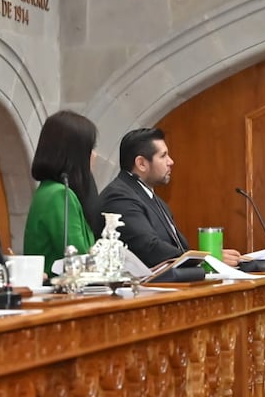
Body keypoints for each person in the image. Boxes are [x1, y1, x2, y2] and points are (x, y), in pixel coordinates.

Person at [100, 127, 241, 268]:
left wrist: (207, 258)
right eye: (163, 156)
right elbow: (149, 248)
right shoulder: (119, 197)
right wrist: (206, 260)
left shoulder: (154, 199)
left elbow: (177, 248)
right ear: (141, 163)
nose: (171, 161)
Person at [23, 111, 101, 276]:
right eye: (90, 149)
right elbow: (79, 256)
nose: (95, 155)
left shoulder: (48, 190)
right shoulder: (59, 195)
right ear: (75, 154)